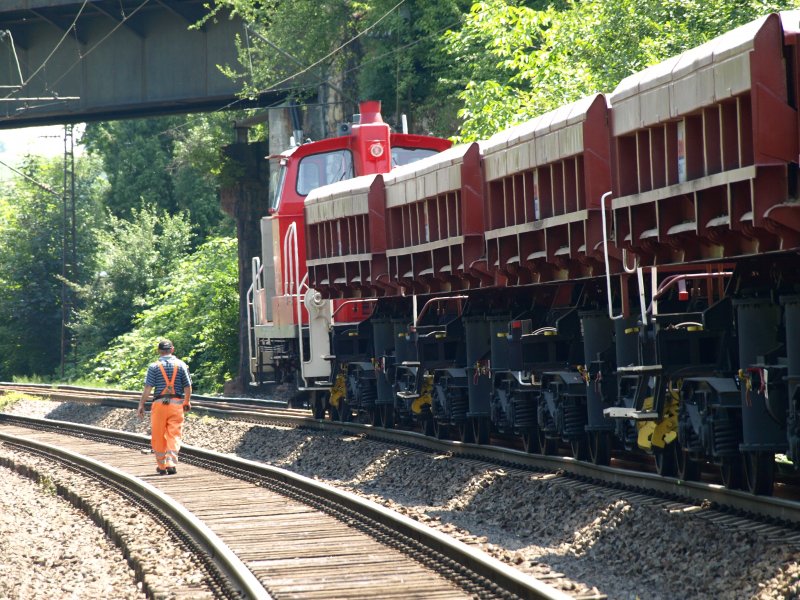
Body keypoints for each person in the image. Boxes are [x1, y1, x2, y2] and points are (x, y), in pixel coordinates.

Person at [138, 339, 192, 475]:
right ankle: (171, 463)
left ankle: (161, 466)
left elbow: (148, 387)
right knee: (174, 434)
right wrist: (187, 401)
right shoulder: (181, 365)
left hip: (159, 405)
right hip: (176, 404)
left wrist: (141, 404)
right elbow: (188, 386)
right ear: (172, 350)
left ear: (159, 351)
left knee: (158, 435)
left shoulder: (154, 367)